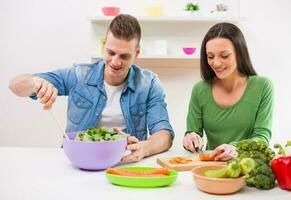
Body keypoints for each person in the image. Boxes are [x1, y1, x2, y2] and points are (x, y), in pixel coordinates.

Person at [9, 14, 174, 163]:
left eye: (124, 56)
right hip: (80, 162)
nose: (115, 62)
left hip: (125, 163)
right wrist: (35, 82)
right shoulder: (79, 75)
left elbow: (164, 134)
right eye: (111, 52)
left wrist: (145, 148)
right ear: (104, 45)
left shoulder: (149, 83)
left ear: (137, 53)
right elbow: (14, 86)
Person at [183, 22, 273, 161]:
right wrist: (190, 138)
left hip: (247, 166)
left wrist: (236, 147)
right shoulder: (200, 89)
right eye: (210, 56)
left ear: (239, 53)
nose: (216, 63)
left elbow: (262, 138)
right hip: (210, 165)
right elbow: (193, 131)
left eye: (224, 55)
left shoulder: (263, 86)